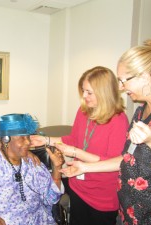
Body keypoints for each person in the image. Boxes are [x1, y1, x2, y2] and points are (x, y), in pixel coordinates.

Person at [59, 38, 151, 225]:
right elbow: (125, 157)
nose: (121, 88)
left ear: (145, 76)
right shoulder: (142, 110)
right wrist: (84, 167)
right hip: (131, 209)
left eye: (124, 80)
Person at [31, 66, 129, 225]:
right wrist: (46, 140)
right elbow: (72, 139)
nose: (84, 96)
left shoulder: (118, 120)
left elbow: (113, 163)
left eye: (89, 92)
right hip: (78, 185)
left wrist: (76, 152)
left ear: (104, 92)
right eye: (83, 90)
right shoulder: (84, 111)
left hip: (101, 195)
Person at [0, 113, 64, 225]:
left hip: (36, 220)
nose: (28, 142)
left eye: (28, 137)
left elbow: (51, 199)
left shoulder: (33, 163)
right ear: (6, 139)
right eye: (22, 138)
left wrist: (57, 168)